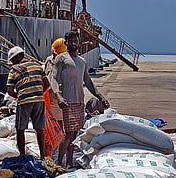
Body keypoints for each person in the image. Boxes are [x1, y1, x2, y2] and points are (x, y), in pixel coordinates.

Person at [47, 30, 108, 168]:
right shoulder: (61, 59)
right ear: (66, 43)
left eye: (75, 41)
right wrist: (59, 96)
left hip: (79, 101)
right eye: (70, 41)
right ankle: (59, 162)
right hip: (67, 102)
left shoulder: (82, 61)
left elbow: (87, 81)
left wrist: (100, 96)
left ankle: (69, 162)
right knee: (68, 134)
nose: (73, 44)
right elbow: (54, 79)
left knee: (74, 135)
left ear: (79, 42)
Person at [6, 46, 49, 157]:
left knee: (20, 129)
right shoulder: (38, 66)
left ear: (14, 59)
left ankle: (22, 156)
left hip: (24, 101)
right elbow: (47, 84)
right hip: (39, 100)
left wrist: (19, 95)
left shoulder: (13, 71)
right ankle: (43, 156)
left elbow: (10, 91)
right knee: (39, 129)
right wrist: (38, 92)